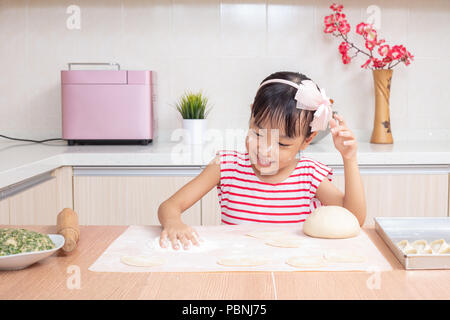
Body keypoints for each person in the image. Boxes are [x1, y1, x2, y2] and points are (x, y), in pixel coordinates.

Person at [158, 71, 366, 250]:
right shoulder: (225, 167)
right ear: (251, 117)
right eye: (258, 134)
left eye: (282, 144)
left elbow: (354, 219)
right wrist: (173, 222)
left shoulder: (309, 175)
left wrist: (350, 159)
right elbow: (169, 206)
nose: (266, 150)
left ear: (307, 141)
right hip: (237, 270)